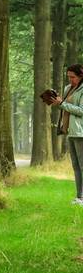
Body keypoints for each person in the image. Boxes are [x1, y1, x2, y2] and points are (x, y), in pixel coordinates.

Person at [51, 64, 83, 205]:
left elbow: (81, 111)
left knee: (82, 165)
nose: (70, 79)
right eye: (68, 77)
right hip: (69, 130)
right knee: (75, 165)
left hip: (80, 132)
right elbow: (64, 107)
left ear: (80, 76)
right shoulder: (68, 88)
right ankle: (79, 197)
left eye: (73, 77)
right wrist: (56, 101)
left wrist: (62, 103)